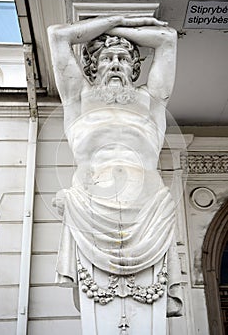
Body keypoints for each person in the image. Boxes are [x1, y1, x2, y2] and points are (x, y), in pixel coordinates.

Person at [48, 15, 177, 283]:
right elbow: (58, 36)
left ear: (134, 68)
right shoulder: (78, 98)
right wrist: (116, 19)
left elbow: (167, 40)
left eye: (124, 59)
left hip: (148, 207)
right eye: (107, 59)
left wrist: (122, 28)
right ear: (94, 68)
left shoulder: (151, 100)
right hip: (90, 205)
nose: (116, 65)